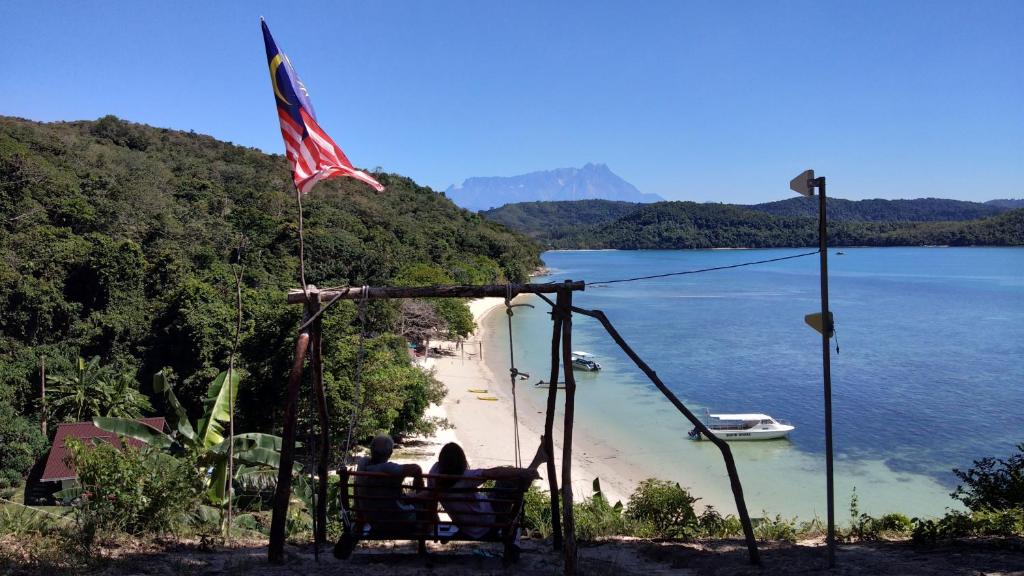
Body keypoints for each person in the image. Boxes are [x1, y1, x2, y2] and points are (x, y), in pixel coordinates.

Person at [428, 438, 547, 539]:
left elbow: (431, 502)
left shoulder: (434, 474)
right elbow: (494, 473)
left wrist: (436, 523)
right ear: (460, 461)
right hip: (489, 523)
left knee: (506, 482)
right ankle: (536, 462)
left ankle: (537, 461)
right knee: (509, 482)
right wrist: (521, 471)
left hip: (468, 527)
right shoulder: (465, 478)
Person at [354, 434, 423, 532]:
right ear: (390, 453)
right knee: (423, 499)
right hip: (396, 522)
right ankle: (428, 529)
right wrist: (418, 486)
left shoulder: (362, 466)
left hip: (373, 522)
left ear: (371, 450)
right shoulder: (388, 468)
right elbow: (416, 469)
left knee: (410, 498)